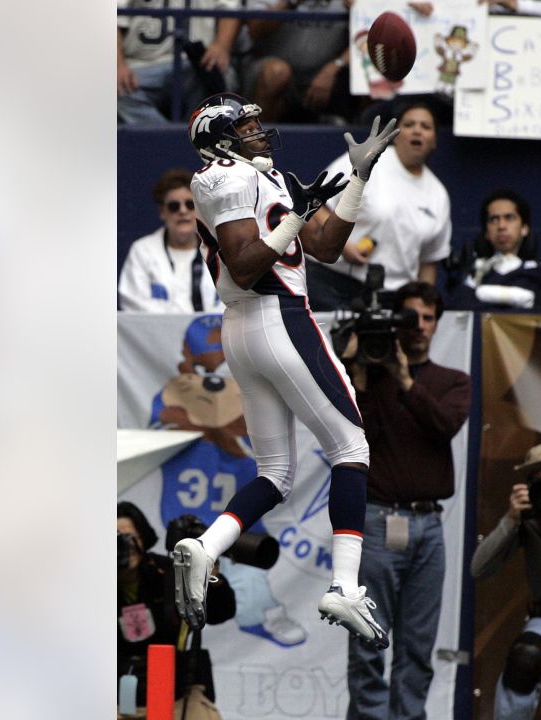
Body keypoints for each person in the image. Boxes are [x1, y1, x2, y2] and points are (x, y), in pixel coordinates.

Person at [170, 92, 402, 651]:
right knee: (352, 448)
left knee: (275, 473)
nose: (259, 131)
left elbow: (323, 245)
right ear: (219, 138)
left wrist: (358, 179)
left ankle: (206, 547)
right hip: (278, 317)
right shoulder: (220, 177)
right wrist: (296, 215)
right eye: (246, 125)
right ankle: (344, 584)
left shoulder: (262, 176)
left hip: (247, 330)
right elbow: (246, 268)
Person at [343, 281, 471, 720]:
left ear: (438, 324)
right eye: (409, 317)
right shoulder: (370, 376)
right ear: (396, 321)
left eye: (428, 318)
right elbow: (351, 438)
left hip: (428, 527)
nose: (418, 326)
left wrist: (404, 379)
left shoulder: (454, 382)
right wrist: (359, 374)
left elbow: (444, 426)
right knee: (367, 637)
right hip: (378, 521)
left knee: (418, 646)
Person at [307, 101, 453, 311]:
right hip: (332, 283)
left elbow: (430, 260)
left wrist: (421, 305)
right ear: (396, 133)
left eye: (425, 127)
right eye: (410, 124)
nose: (417, 131)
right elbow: (316, 204)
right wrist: (342, 245)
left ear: (435, 141)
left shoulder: (438, 194)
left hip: (392, 297)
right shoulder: (368, 160)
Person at [470, 441, 541, 720]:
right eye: (538, 483)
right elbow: (478, 570)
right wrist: (510, 522)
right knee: (526, 655)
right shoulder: (527, 522)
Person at [117, 502, 235, 709]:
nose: (123, 546)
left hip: (174, 688)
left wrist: (213, 579)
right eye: (115, 539)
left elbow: (220, 613)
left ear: (143, 538)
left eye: (129, 537)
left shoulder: (169, 572)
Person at [117, 0, 241, 125]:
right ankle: (174, 141)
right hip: (141, 65)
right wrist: (118, 64)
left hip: (195, 63)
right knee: (113, 88)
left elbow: (230, 9)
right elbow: (112, 19)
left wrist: (221, 45)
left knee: (217, 80)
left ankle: (184, 138)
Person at [119, 169, 226, 313]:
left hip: (210, 334)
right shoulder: (142, 250)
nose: (182, 211)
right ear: (162, 212)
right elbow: (133, 301)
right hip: (156, 334)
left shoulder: (218, 251)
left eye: (189, 204)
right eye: (174, 206)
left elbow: (230, 301)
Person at [448, 188, 541, 313]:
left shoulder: (538, 277)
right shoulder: (472, 277)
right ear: (486, 232)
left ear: (524, 228)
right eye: (494, 219)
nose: (501, 226)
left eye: (509, 218)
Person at [241, 0, 353, 123]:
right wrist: (290, 2)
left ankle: (355, 130)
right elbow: (255, 30)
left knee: (361, 71)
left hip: (327, 72)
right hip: (269, 67)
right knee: (277, 72)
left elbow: (368, 37)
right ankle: (259, 137)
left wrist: (334, 67)